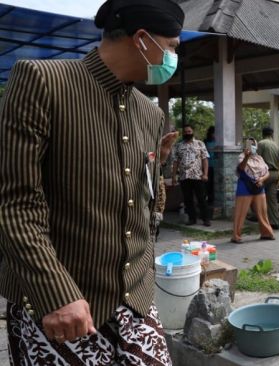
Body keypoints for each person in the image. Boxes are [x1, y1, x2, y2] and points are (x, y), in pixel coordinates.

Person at [0, 0, 184, 364]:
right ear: (143, 39)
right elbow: (15, 202)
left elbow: (144, 204)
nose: (174, 58)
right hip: (60, 307)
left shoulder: (150, 113)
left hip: (136, 301)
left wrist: (157, 169)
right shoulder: (43, 81)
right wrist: (56, 293)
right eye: (173, 46)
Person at [232, 138, 275, 243]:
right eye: (249, 144)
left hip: (259, 187)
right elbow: (241, 168)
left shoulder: (259, 158)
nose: (252, 146)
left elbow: (267, 172)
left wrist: (262, 179)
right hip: (245, 187)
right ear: (245, 146)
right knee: (241, 213)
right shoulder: (241, 157)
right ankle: (236, 236)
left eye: (253, 144)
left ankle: (266, 233)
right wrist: (247, 157)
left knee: (262, 212)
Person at [171, 124, 211, 227]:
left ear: (192, 132)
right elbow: (175, 162)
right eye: (185, 132)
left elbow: (205, 159)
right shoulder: (178, 146)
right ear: (183, 133)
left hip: (198, 176)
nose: (187, 133)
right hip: (184, 177)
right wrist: (173, 177)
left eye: (189, 131)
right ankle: (192, 219)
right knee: (187, 199)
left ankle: (206, 219)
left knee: (201, 198)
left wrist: (205, 174)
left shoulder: (200, 144)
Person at [257, 126, 279, 230]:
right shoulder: (276, 146)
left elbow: (256, 159)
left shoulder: (261, 143)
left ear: (263, 134)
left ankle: (260, 219)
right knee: (272, 199)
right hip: (275, 173)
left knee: (257, 197)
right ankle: (274, 221)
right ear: (272, 134)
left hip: (265, 174)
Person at [204, 126, 218, 204]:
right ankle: (209, 198)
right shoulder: (206, 142)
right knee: (209, 183)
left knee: (215, 183)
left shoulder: (218, 142)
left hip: (216, 165)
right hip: (208, 165)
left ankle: (213, 197)